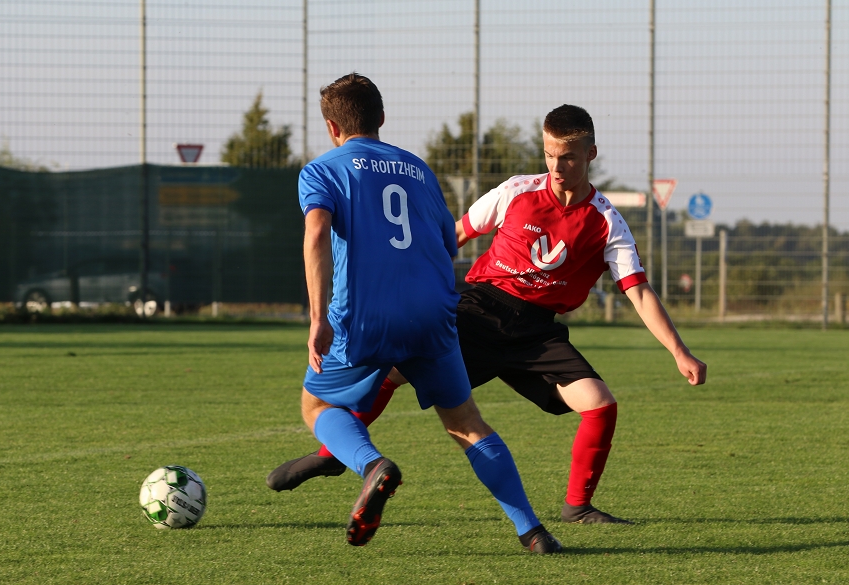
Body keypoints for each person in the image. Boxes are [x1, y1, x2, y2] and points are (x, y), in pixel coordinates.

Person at [269, 103, 708, 525]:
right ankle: (333, 457)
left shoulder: (606, 221)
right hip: (479, 312)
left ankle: (578, 507)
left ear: (590, 154)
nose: (557, 167)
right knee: (392, 373)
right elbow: (455, 234)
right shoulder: (517, 191)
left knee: (600, 404)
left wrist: (679, 352)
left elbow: (639, 290)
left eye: (569, 157)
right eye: (550, 155)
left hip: (536, 333)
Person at [289, 72, 561, 553]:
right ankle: (533, 532)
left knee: (317, 406)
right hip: (435, 313)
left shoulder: (323, 169)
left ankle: (373, 465)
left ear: (333, 127)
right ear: (383, 119)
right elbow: (443, 239)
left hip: (366, 314)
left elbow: (316, 235)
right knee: (466, 422)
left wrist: (317, 318)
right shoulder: (418, 170)